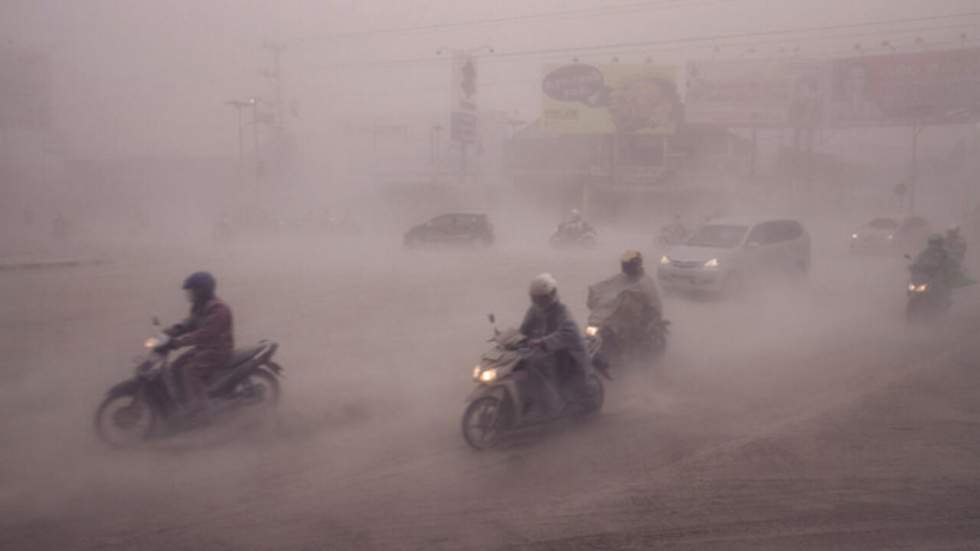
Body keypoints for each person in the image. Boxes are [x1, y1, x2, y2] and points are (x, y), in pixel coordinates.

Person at [161, 272, 234, 422]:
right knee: (176, 366)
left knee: (190, 371)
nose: (189, 294)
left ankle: (202, 411)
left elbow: (204, 334)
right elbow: (190, 323)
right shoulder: (200, 307)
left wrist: (179, 342)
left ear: (202, 290)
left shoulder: (219, 310)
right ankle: (186, 403)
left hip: (218, 350)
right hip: (205, 349)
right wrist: (172, 331)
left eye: (192, 291)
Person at [520, 273, 592, 413]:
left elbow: (565, 333)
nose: (539, 301)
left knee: (537, 365)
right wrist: (512, 339)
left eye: (542, 298)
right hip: (547, 348)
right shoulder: (534, 310)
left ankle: (553, 404)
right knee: (521, 364)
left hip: (569, 353)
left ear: (552, 294)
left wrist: (541, 342)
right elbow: (524, 328)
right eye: (536, 298)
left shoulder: (562, 311)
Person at [587, 251, 664, 358]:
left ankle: (626, 359)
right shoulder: (620, 278)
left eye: (629, 265)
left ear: (636, 265)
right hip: (613, 318)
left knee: (624, 336)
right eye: (625, 264)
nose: (626, 267)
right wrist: (594, 290)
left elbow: (654, 304)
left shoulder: (645, 282)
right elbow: (606, 285)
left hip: (636, 322)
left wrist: (632, 296)